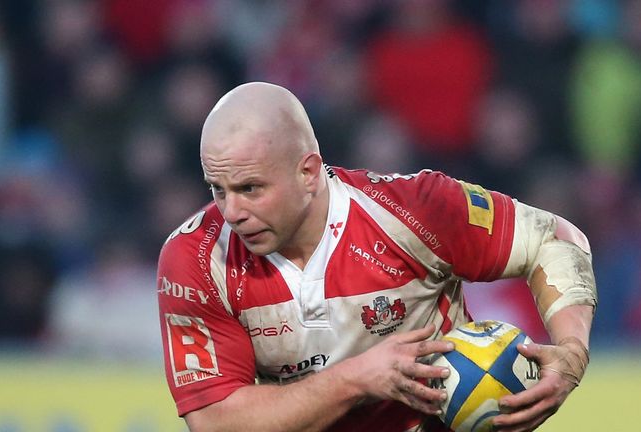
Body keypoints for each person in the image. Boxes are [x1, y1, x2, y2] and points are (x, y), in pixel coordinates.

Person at [156, 82, 596, 432]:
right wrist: (354, 379)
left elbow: (555, 239)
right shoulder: (195, 258)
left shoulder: (415, 210)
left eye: (250, 188)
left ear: (307, 172)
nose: (231, 212)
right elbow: (215, 421)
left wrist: (572, 351)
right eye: (218, 189)